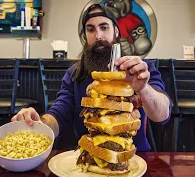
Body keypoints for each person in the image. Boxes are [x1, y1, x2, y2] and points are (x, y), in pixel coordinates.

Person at [11, 4, 171, 152]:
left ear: (116, 31)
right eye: (91, 29)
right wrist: (39, 124)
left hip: (136, 156)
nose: (98, 35)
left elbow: (162, 115)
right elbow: (60, 115)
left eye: (104, 27)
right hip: (89, 155)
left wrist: (143, 89)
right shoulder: (74, 73)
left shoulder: (140, 69)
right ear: (85, 36)